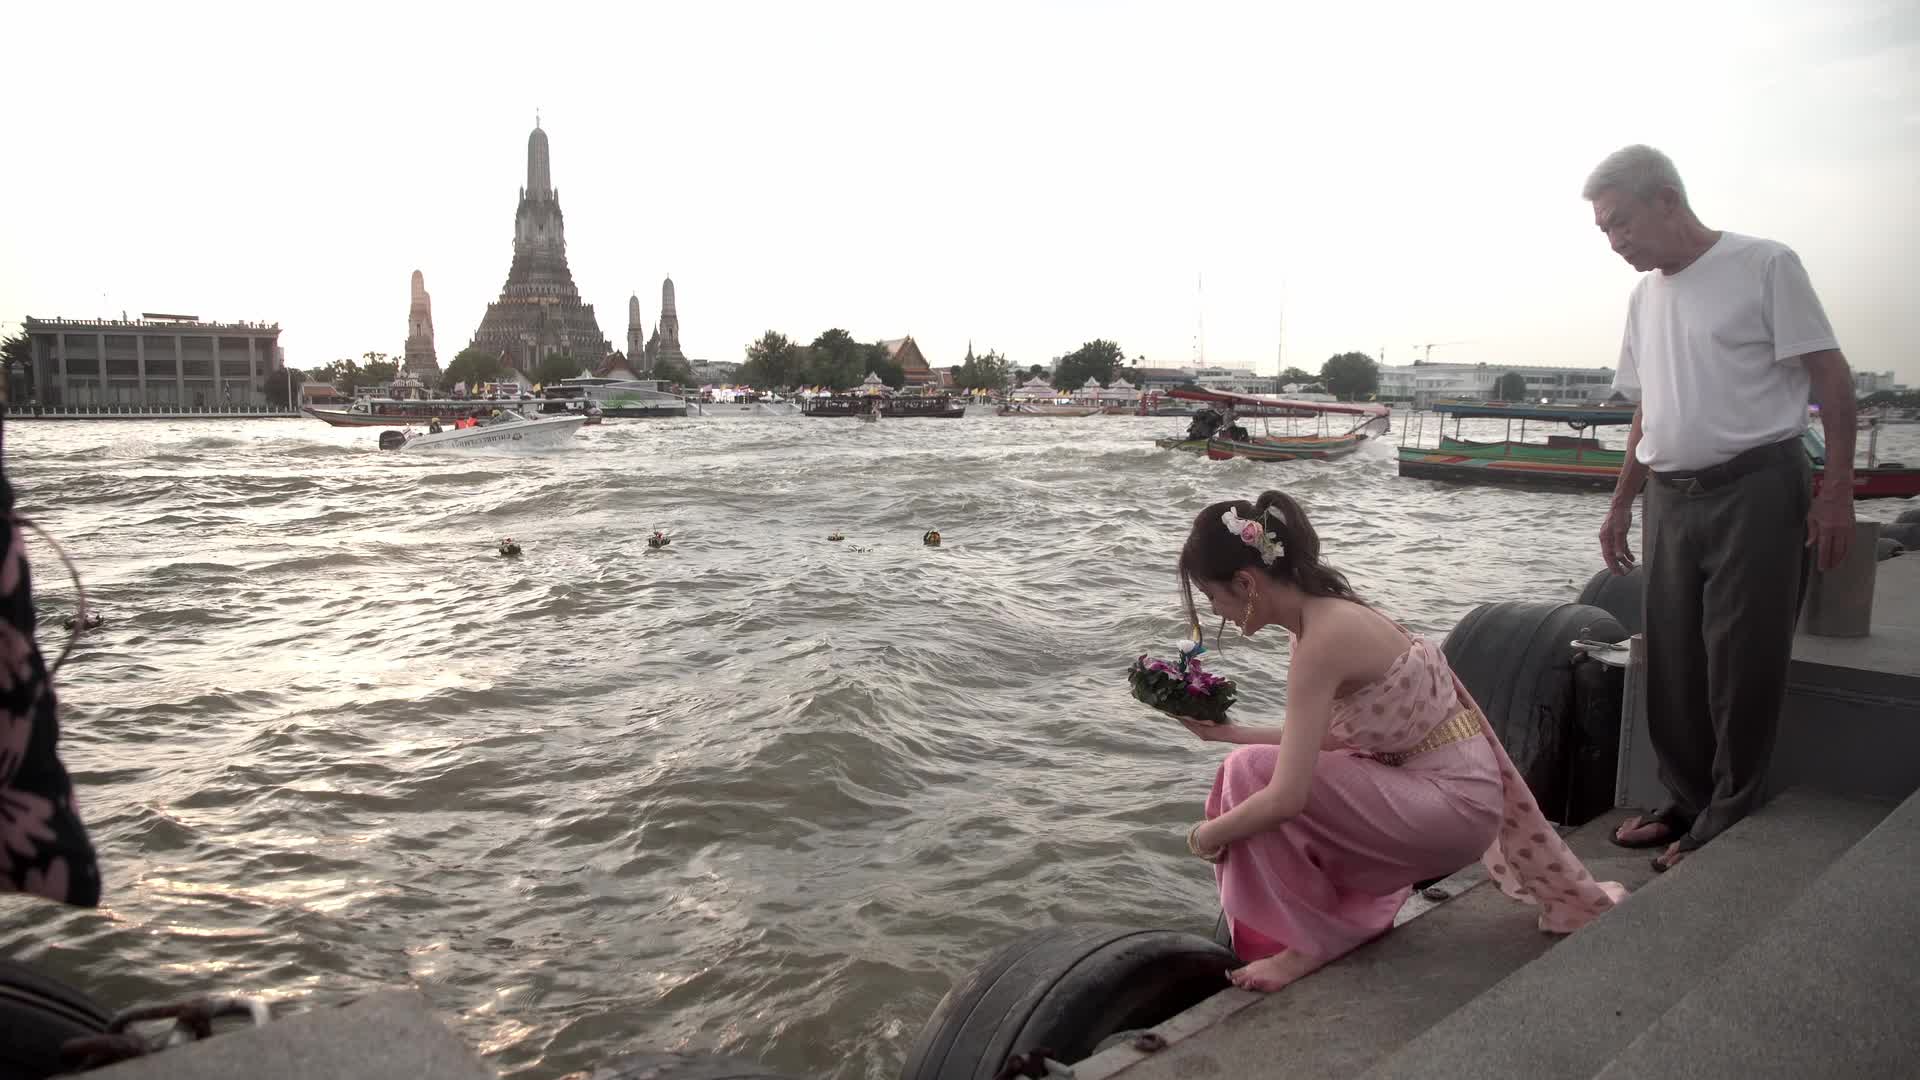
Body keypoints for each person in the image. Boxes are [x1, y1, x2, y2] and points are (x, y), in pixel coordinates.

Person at [1179, 491, 1625, 991]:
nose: (1218, 612)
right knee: (1246, 762)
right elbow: (1328, 739)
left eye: (1214, 597)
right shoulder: (1326, 616)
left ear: (1246, 582)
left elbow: (1288, 796)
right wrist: (1230, 733)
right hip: (1459, 794)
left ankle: (1316, 940)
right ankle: (1327, 924)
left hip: (1451, 806)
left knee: (1248, 774)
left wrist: (1204, 837)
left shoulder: (1319, 643)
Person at [1585, 145, 1856, 872]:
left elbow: (1830, 377)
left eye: (1621, 224)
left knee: (1743, 658)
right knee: (1672, 655)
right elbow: (1651, 406)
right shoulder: (1646, 298)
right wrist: (1620, 505)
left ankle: (1730, 811)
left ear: (1666, 200)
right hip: (1672, 496)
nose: (1614, 243)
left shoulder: (1765, 265)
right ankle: (1685, 798)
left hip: (1757, 487)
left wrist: (1836, 492)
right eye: (1604, 231)